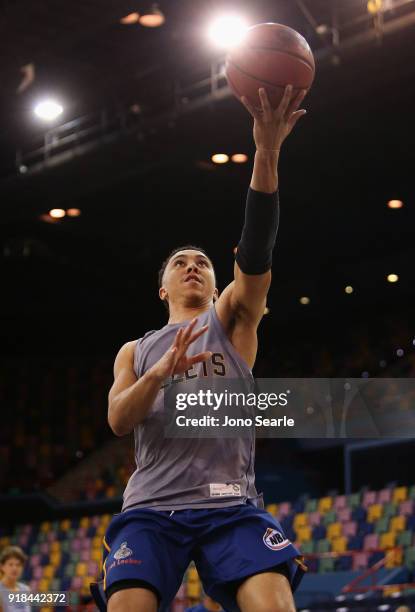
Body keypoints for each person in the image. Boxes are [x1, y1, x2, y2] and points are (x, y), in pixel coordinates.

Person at [90, 84, 308, 612]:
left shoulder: (232, 319)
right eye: (180, 262)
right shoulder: (134, 350)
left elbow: (255, 252)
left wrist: (267, 152)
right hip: (151, 508)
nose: (193, 265)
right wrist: (157, 374)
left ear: (215, 285)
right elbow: (119, 420)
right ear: (162, 288)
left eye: (204, 263)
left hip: (231, 506)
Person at [0, 546, 31, 612]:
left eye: (18, 565)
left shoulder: (26, 589)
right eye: (10, 564)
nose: (15, 568)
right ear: (2, 566)